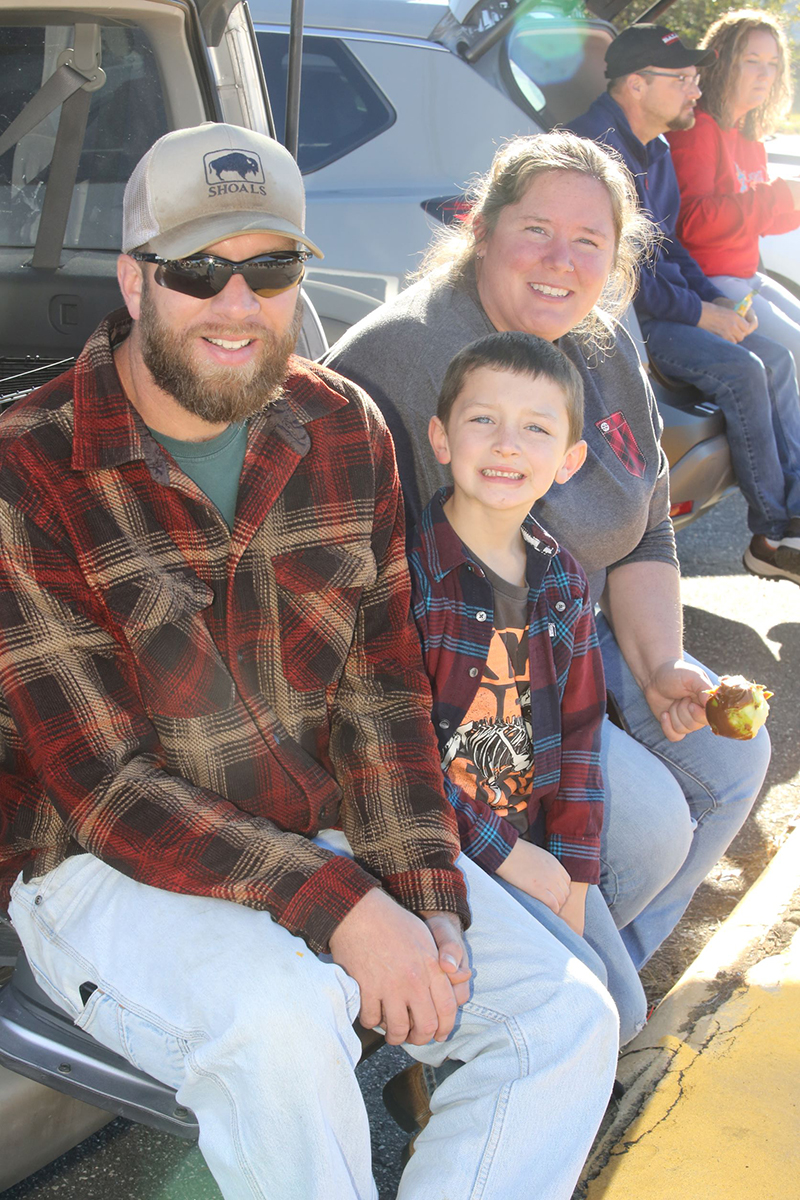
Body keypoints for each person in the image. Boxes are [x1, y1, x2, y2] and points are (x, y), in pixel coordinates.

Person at [0, 123, 618, 1200]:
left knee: (563, 1018)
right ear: (135, 282)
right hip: (100, 864)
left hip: (319, 820)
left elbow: (380, 693)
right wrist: (345, 905)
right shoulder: (28, 462)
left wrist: (422, 893)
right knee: (283, 1018)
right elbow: (101, 787)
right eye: (199, 270)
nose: (238, 306)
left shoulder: (342, 425)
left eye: (270, 268)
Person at [326, 130, 771, 980]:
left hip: (581, 630)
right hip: (469, 670)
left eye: (590, 242)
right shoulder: (401, 358)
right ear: (482, 227)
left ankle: (606, 980)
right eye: (536, 230)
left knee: (733, 753)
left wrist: (659, 660)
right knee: (644, 829)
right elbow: (352, 604)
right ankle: (526, 1006)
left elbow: (646, 519)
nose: (561, 261)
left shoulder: (602, 336)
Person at [409, 330, 646, 1045]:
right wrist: (510, 858)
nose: (507, 444)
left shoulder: (563, 580)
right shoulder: (406, 578)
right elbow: (396, 756)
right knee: (568, 1022)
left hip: (529, 840)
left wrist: (573, 875)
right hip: (437, 846)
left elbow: (578, 743)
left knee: (622, 1014)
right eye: (483, 420)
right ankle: (458, 1073)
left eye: (536, 428)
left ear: (569, 461)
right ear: (441, 438)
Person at [566, 23, 800, 587]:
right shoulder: (592, 149)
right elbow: (625, 274)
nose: (697, 91)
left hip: (670, 307)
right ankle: (770, 534)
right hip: (632, 324)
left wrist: (716, 299)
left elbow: (671, 248)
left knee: (778, 359)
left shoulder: (658, 147)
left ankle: (794, 519)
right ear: (637, 86)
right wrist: (702, 314)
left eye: (696, 80)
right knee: (745, 370)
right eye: (684, 80)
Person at [667, 11, 800, 378]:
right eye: (752, 61)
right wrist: (779, 196)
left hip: (748, 275)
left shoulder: (747, 133)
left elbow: (758, 218)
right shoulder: (697, 131)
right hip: (712, 280)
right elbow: (692, 224)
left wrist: (792, 202)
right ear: (722, 64)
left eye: (773, 64)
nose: (765, 74)